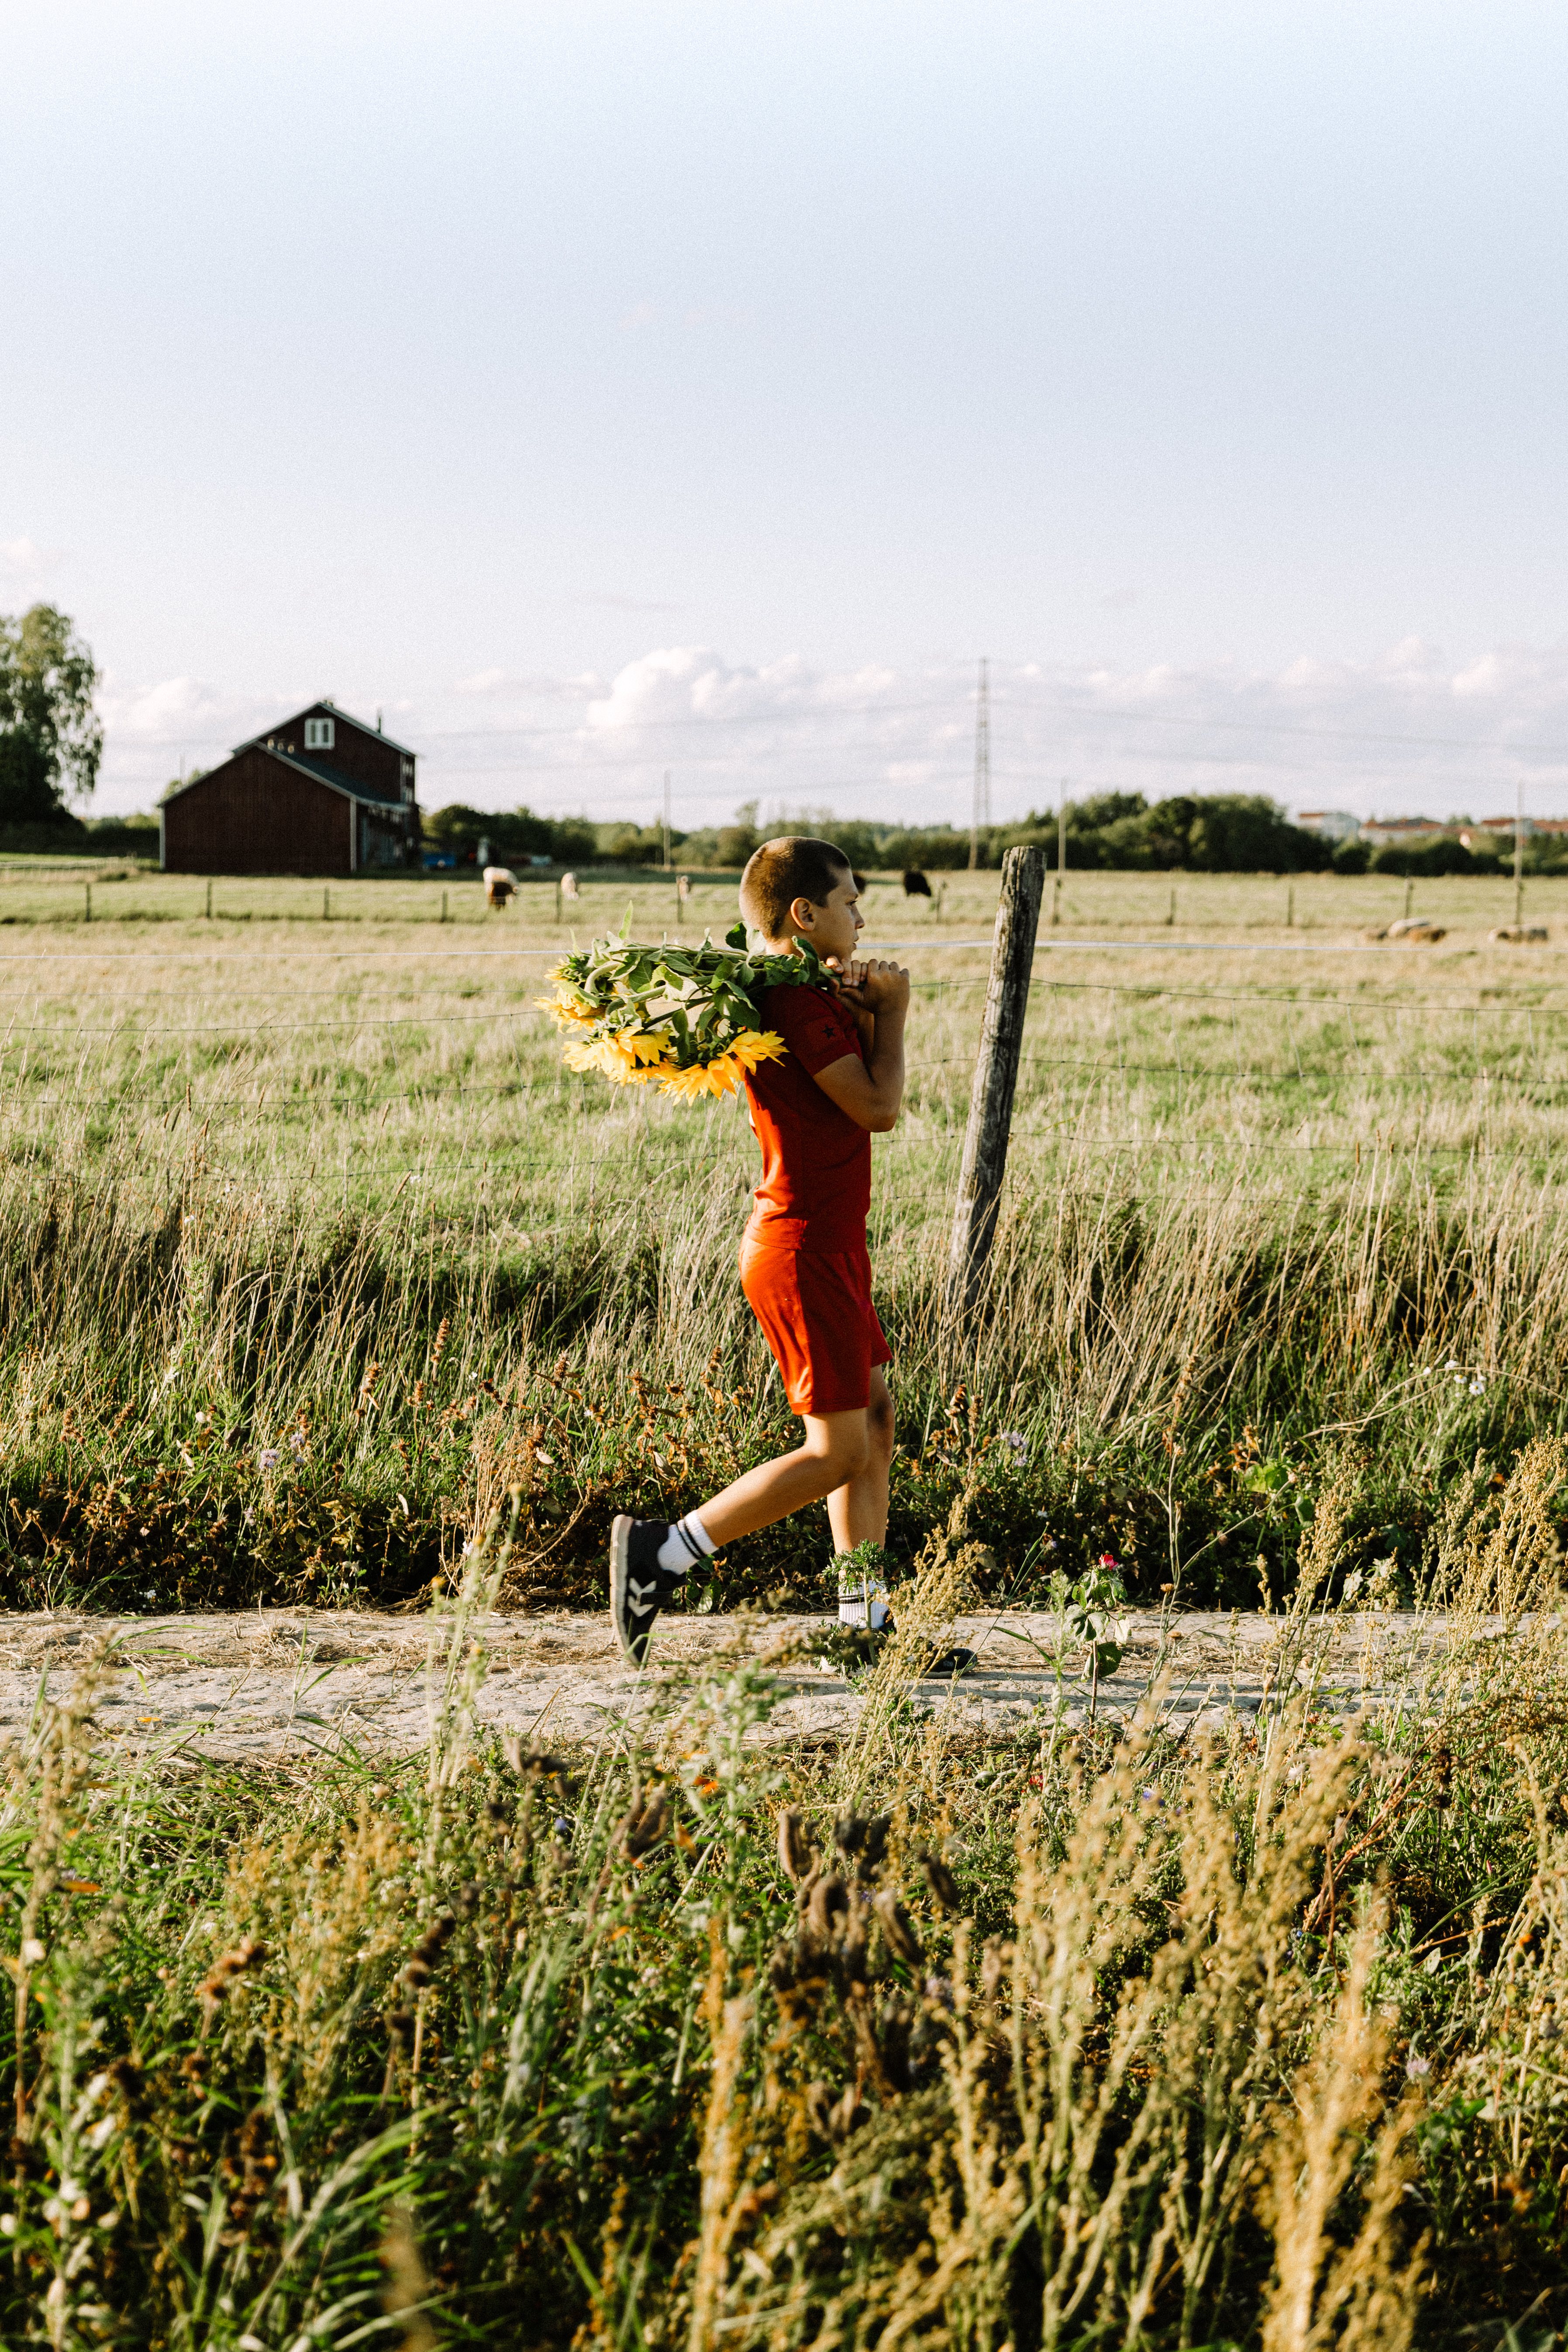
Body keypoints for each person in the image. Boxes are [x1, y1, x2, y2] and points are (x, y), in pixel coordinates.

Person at [610, 837, 908, 1666]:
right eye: (850, 901)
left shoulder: (799, 992)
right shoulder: (794, 1007)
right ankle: (664, 1552)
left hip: (827, 1242)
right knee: (839, 1448)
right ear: (805, 915)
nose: (862, 915)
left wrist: (866, 1005)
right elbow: (878, 1107)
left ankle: (865, 1627)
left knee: (873, 1423)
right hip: (803, 1245)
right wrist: (896, 1014)